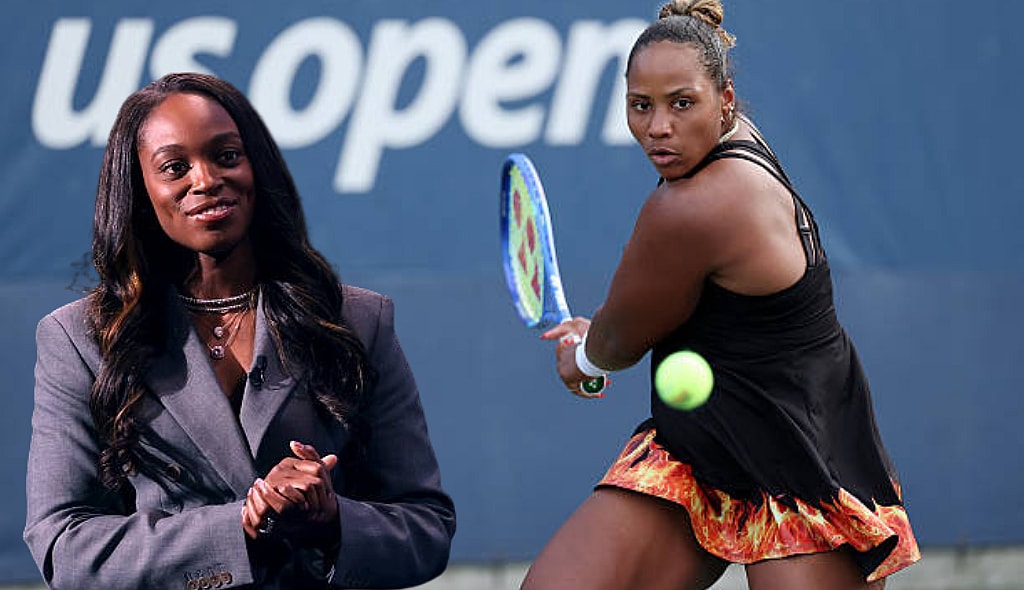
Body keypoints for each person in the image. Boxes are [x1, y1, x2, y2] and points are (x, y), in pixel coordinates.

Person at [520, 1, 920, 589]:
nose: (658, 126)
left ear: (724, 99)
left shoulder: (693, 207)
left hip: (800, 460)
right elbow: (648, 312)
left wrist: (582, 358)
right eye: (641, 105)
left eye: (682, 103)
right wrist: (599, 340)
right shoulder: (729, 140)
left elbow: (619, 341)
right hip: (700, 451)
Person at [23, 72, 455, 589]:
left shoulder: (358, 320)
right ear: (140, 189)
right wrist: (238, 526)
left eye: (226, 156)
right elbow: (63, 546)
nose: (205, 180)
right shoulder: (80, 339)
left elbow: (426, 527)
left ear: (258, 168)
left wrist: (331, 518)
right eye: (175, 167)